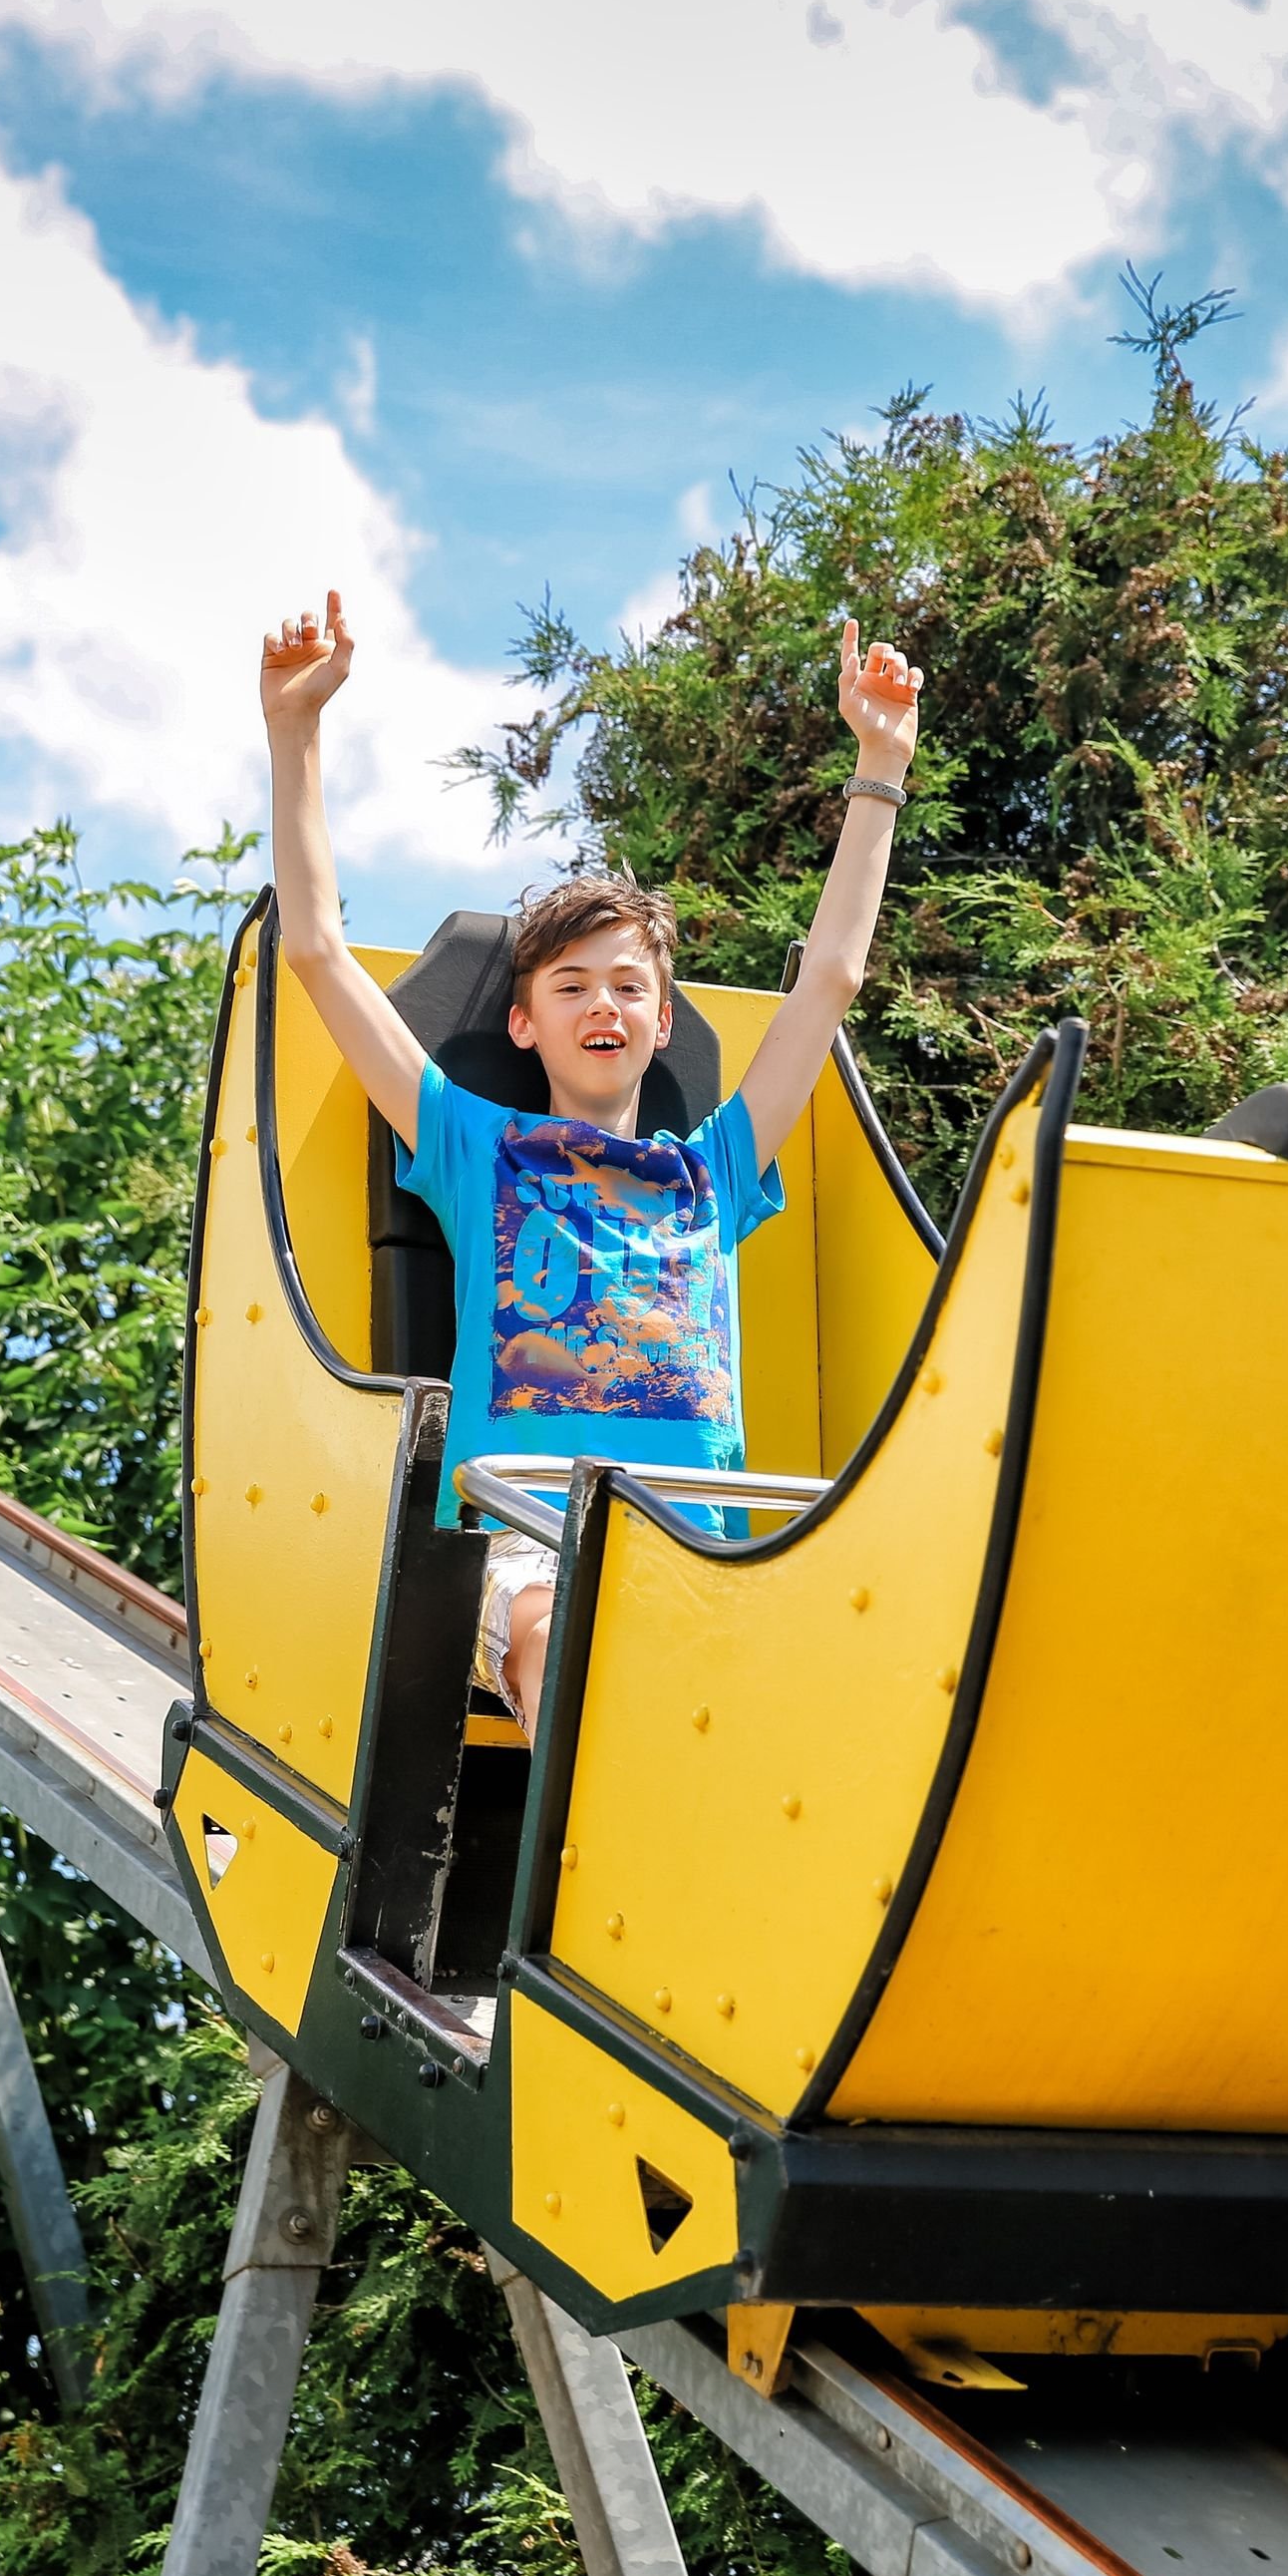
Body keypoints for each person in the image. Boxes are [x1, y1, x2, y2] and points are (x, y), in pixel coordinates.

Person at [258, 586, 919, 1727]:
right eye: (570, 987)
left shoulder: (710, 1173)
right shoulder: (478, 1147)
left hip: (692, 1538)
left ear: (664, 1024)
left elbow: (830, 982)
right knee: (556, 1632)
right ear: (524, 1024)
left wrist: (879, 770)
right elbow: (316, 949)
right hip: (525, 1543)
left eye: (628, 988)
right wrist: (295, 730)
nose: (601, 1005)